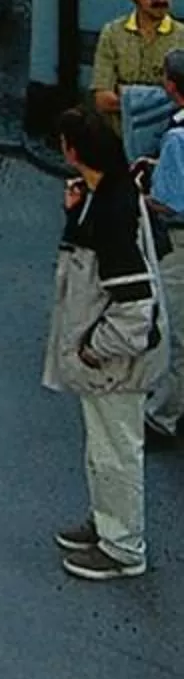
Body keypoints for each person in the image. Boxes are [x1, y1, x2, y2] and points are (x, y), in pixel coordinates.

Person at [44, 103, 168, 580]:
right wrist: (74, 214)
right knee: (104, 449)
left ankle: (123, 548)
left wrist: (92, 349)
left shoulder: (112, 212)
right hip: (114, 362)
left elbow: (134, 308)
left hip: (116, 364)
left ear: (72, 151)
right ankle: (107, 524)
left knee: (115, 452)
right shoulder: (110, 193)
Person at [141, 50, 184, 453]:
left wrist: (142, 193)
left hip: (180, 242)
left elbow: (170, 204)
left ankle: (163, 415)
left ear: (171, 85)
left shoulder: (176, 137)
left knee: (174, 331)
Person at [91, 0, 182, 133]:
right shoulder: (113, 34)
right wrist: (162, 98)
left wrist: (127, 96)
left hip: (167, 138)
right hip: (119, 138)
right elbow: (102, 99)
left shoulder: (182, 37)